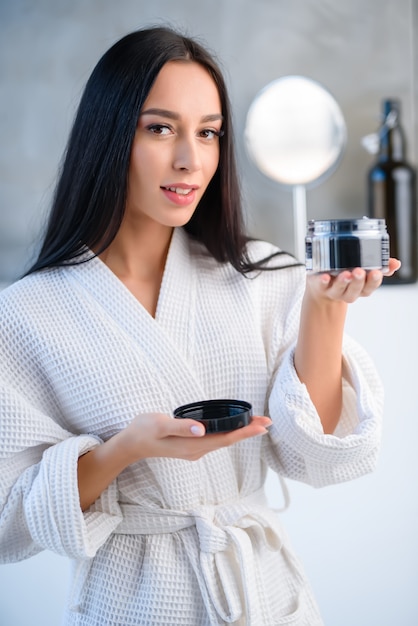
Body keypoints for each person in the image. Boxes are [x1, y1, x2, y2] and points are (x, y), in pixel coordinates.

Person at [0, 25, 400, 626]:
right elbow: (10, 521)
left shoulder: (263, 276)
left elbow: (316, 458)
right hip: (133, 603)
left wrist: (325, 308)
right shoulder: (28, 313)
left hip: (261, 597)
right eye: (160, 128)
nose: (190, 159)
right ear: (108, 136)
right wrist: (123, 452)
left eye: (208, 133)